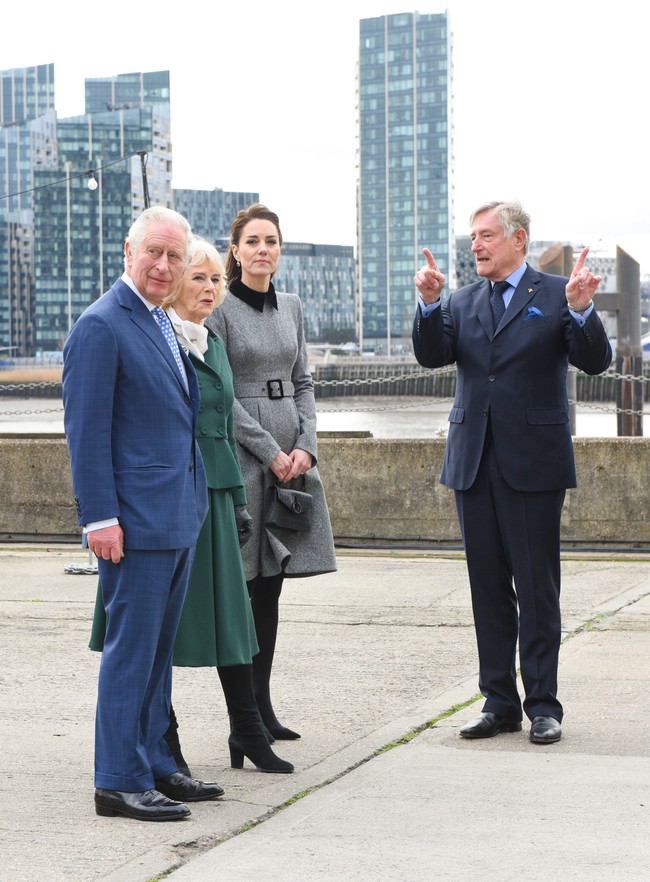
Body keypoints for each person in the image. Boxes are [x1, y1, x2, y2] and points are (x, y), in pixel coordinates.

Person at [89, 237, 294, 774]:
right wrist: (100, 517)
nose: (208, 288)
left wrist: (235, 497)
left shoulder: (203, 343)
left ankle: (211, 741)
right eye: (196, 277)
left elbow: (222, 421)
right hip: (156, 505)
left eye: (213, 280)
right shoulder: (126, 328)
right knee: (150, 641)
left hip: (210, 492)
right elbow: (91, 433)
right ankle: (141, 764)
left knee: (224, 621)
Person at [412, 200, 612, 745]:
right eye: (472, 237)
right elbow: (432, 356)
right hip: (473, 462)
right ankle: (499, 701)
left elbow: (595, 362)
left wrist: (580, 312)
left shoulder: (554, 293)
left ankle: (544, 705)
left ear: (518, 240)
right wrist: (429, 305)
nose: (475, 245)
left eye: (486, 236)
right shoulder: (460, 299)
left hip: (534, 462)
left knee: (537, 588)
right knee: (488, 589)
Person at [62, 206, 222, 822]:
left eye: (174, 256)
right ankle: (118, 780)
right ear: (128, 252)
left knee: (158, 653)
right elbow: (86, 431)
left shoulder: (158, 320)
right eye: (153, 252)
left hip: (174, 516)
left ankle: (156, 763)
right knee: (132, 653)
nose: (164, 265)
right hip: (131, 523)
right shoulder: (103, 325)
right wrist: (98, 517)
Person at [206, 203, 337, 741]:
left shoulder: (294, 306)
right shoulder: (218, 311)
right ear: (235, 252)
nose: (264, 250)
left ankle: (264, 708)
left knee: (272, 590)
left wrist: (305, 445)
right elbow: (221, 393)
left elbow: (303, 381)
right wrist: (269, 449)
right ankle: (246, 721)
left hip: (290, 461)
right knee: (243, 585)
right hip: (246, 460)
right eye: (253, 242)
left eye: (272, 242)